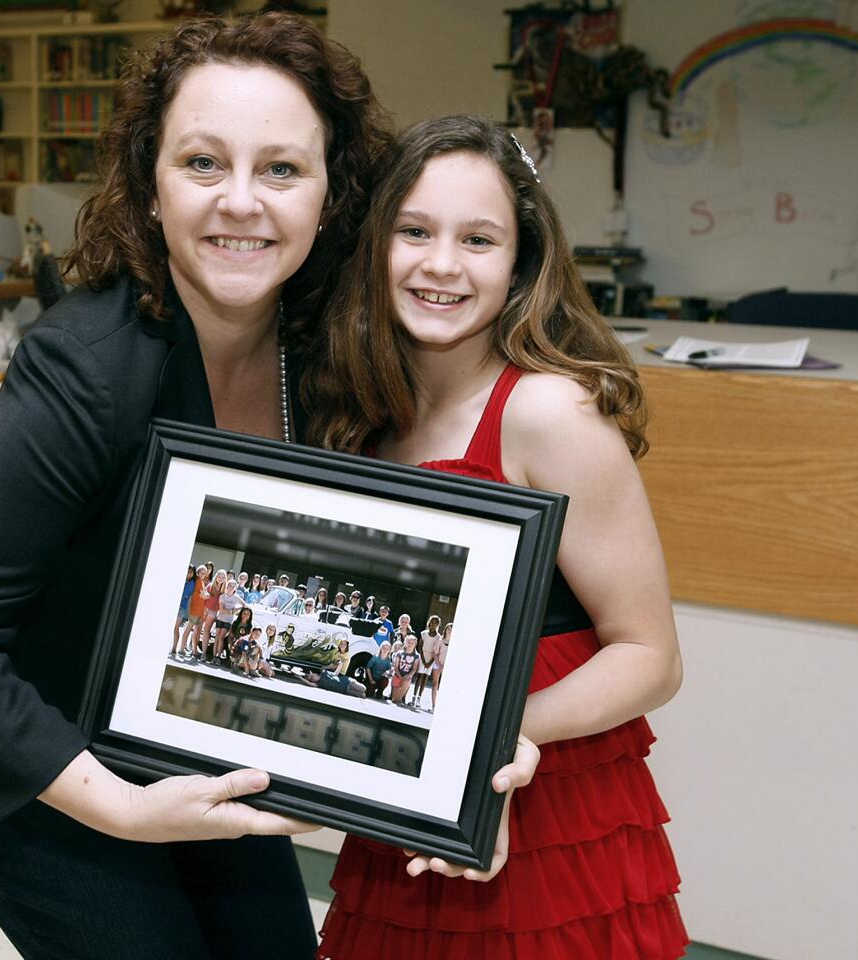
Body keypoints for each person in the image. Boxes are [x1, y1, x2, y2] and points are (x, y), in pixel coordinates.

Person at [0, 14, 395, 960]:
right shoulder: (88, 368)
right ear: (150, 187)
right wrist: (118, 808)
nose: (241, 202)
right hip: (27, 735)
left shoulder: (330, 357)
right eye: (203, 163)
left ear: (333, 194)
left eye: (281, 169)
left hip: (179, 724)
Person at [306, 115, 686, 958]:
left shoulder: (548, 411)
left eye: (477, 239)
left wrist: (497, 730)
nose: (441, 265)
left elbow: (651, 656)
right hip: (410, 805)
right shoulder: (357, 412)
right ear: (376, 244)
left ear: (520, 261)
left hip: (549, 803)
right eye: (414, 231)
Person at [413, 614, 443, 709]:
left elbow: (436, 651)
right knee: (420, 676)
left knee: (425, 677)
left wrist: (430, 662)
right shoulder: (424, 633)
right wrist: (423, 660)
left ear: (438, 625)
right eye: (432, 622)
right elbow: (420, 647)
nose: (433, 624)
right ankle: (414, 697)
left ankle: (419, 698)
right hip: (423, 656)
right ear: (429, 623)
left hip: (431, 658)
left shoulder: (439, 637)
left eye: (436, 623)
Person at [172, 563, 197, 657]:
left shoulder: (191, 583)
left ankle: (174, 648)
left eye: (191, 572)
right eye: (188, 571)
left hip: (181, 607)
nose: (189, 573)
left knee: (176, 627)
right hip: (175, 605)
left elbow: (184, 595)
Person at [388, 634, 420, 706]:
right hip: (397, 675)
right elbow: (396, 667)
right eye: (409, 642)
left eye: (412, 643)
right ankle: (396, 698)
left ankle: (400, 699)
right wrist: (399, 676)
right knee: (393, 699)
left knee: (407, 681)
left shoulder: (416, 656)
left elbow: (414, 669)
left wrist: (408, 676)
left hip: (407, 677)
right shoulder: (399, 653)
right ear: (405, 642)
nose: (410, 645)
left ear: (415, 645)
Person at [430, 620, 452, 708]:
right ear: (445, 630)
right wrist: (439, 664)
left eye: (452, 630)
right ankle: (433, 705)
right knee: (435, 684)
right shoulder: (440, 640)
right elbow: (435, 653)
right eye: (449, 629)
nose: (450, 631)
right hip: (438, 664)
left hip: (448, 666)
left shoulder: (455, 641)